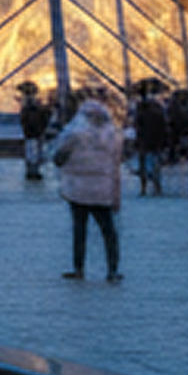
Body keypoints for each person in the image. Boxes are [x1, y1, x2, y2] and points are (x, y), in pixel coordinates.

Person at [52, 88, 124, 282]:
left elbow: (58, 157)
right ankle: (112, 269)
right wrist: (116, 193)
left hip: (78, 189)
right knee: (108, 231)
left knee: (79, 229)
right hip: (103, 188)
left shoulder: (75, 134)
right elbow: (116, 165)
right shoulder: (113, 136)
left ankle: (79, 268)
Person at [18, 79, 52, 185]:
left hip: (32, 131)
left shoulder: (29, 105)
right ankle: (33, 171)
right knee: (34, 151)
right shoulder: (32, 106)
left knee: (32, 151)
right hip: (34, 131)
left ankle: (32, 170)